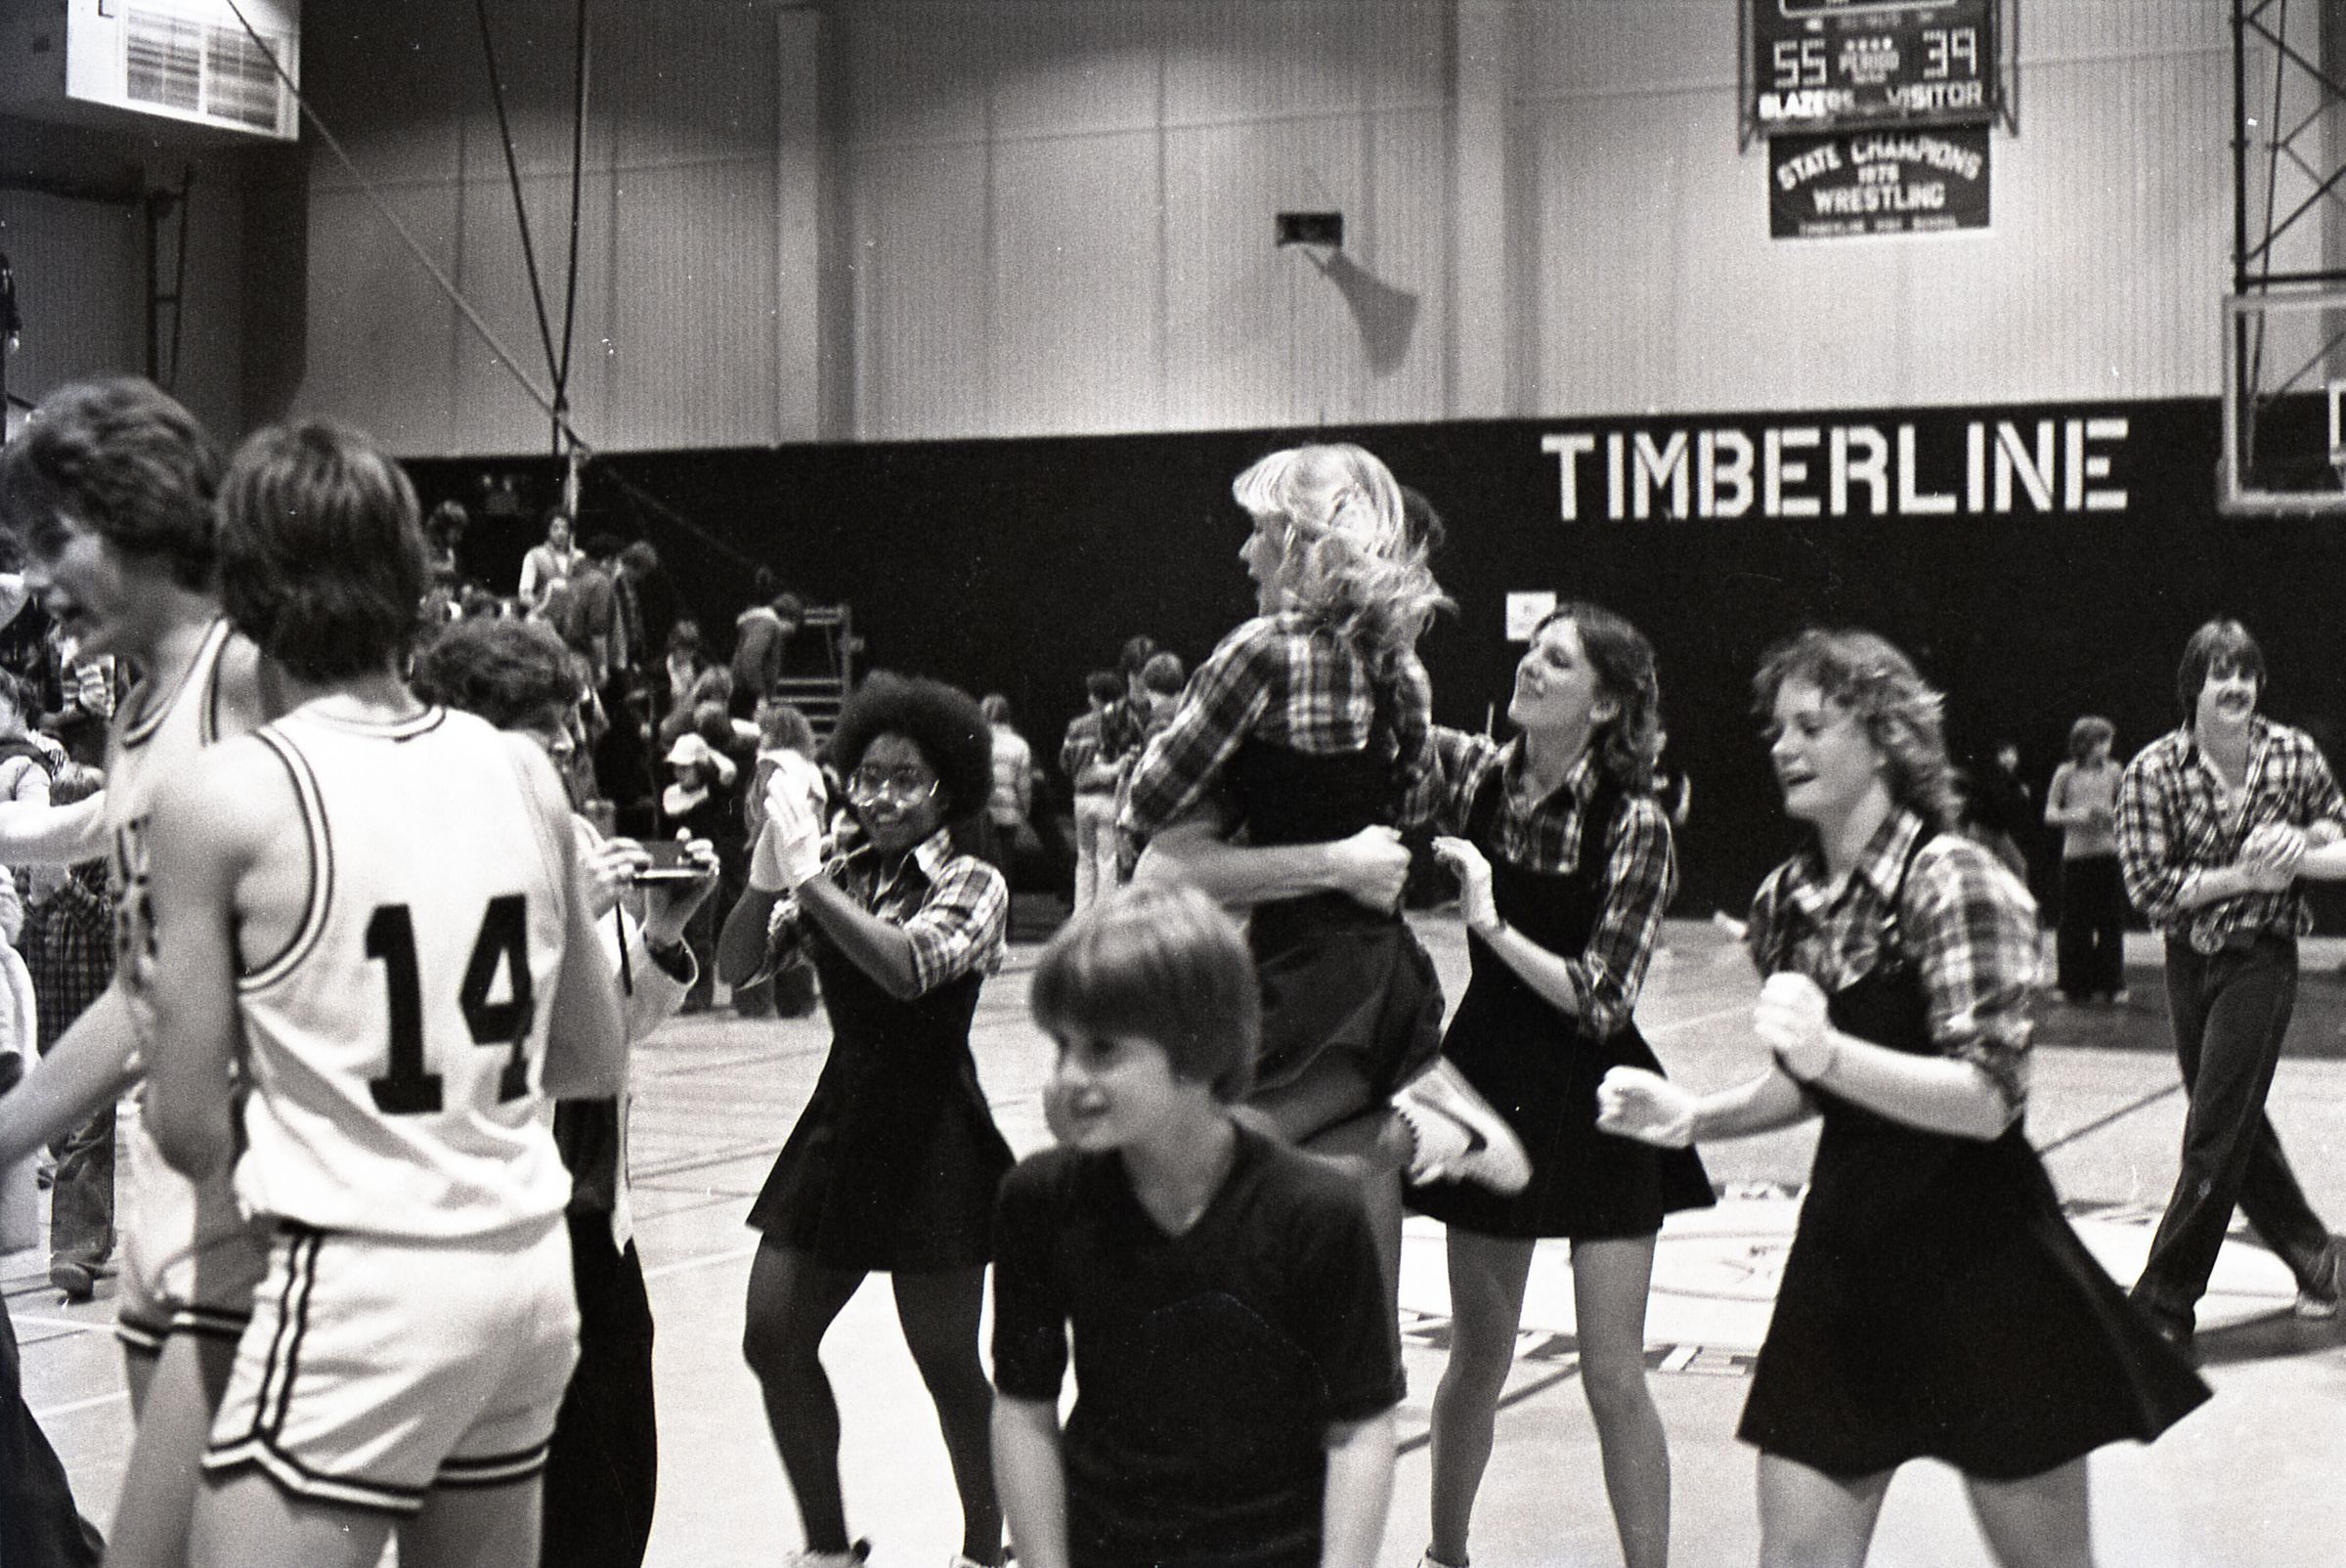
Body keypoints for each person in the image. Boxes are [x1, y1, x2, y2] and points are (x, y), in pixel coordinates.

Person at [1597, 629, 2207, 1568]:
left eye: (1812, 725)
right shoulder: (1786, 900)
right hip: (1848, 1254)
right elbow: (1814, 1084)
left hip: (1984, 1258)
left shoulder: (1955, 878)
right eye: (1777, 729)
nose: (1784, 747)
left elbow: (1988, 1098)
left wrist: (1831, 1052)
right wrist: (1699, 1117)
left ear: (1884, 739)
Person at [140, 418, 627, 1567]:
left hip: (363, 1281)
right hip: (525, 1273)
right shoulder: (521, 767)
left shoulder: (223, 793)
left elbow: (188, 1128)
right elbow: (592, 1057)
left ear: (244, 590)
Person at [1120, 442, 1527, 1306]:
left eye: (1259, 532)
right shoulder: (1399, 667)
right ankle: (1423, 1128)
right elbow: (1412, 803)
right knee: (1327, 1236)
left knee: (1202, 1169)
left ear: (1300, 541)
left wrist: (1234, 801)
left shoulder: (1260, 651)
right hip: (1375, 972)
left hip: (1299, 974)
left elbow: (1149, 799)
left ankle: (1426, 1131)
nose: (1245, 553)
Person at [0, 374, 282, 1568]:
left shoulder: (251, 672)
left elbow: (169, 985)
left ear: (134, 512)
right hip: (178, 1191)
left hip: (273, 1200)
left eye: (49, 539)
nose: (34, 576)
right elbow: (144, 970)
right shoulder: (134, 710)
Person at [413, 615, 721, 1568]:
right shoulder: (419, 847)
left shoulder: (573, 835)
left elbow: (604, 1037)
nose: (565, 745)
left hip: (596, 1218)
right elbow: (462, 1042)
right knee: (534, 1512)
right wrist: (564, 916)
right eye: (540, 725)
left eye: (567, 723)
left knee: (622, 1480)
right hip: (492, 1222)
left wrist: (660, 934)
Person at [1413, 604, 1713, 1568]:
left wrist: (1492, 925)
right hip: (1489, 1085)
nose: (1530, 667)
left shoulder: (1636, 824)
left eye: (1557, 659)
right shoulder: (1473, 773)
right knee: (1476, 1361)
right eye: (1531, 650)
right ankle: (1444, 1555)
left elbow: (1602, 998)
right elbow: (1387, 721)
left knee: (1614, 1375)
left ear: (1608, 703)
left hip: (1601, 1094)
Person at [992, 885, 1400, 1568]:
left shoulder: (1315, 1212)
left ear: (1201, 1048)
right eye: (1061, 1046)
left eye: (1102, 1050)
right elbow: (1024, 1408)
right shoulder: (1039, 1200)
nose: (1067, 1077)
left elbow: (1360, 1426)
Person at [718, 673, 1011, 1568]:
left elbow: (908, 968)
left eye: (906, 779)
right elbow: (737, 968)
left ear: (947, 791)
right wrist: (766, 874)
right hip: (841, 1125)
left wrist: (808, 880)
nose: (881, 797)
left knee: (947, 1364)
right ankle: (825, 1548)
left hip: (934, 1134)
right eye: (869, 778)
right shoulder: (840, 876)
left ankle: (983, 1551)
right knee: (773, 1333)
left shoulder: (973, 880)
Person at [2115, 619, 2346, 1352]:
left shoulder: (2294, 754)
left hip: (2262, 958)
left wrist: (2304, 844)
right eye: (2222, 674)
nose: (2237, 686)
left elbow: (2338, 831)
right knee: (2233, 1124)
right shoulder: (2152, 771)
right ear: (2195, 686)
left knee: (2214, 1129)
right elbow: (2149, 888)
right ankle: (2316, 1259)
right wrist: (2241, 876)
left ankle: (2164, 1299)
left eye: (2246, 674)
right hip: (2188, 959)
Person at [22, 763, 115, 1302]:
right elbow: (26, 946)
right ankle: (97, 1231)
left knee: (85, 1135)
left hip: (99, 1020)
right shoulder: (38, 863)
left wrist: (66, 889)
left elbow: (113, 927)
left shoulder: (114, 865)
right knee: (69, 1139)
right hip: (54, 1025)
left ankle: (75, 1252)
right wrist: (37, 904)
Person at [2045, 716, 2127, 1004]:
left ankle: (2111, 984)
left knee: (2110, 922)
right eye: (2101, 742)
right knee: (2074, 924)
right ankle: (2072, 984)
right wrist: (2078, 815)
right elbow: (2050, 813)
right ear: (2086, 744)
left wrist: (2110, 816)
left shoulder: (2114, 771)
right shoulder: (2065, 773)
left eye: (2108, 742)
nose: (2106, 748)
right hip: (2076, 856)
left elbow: (2126, 809)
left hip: (2107, 853)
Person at [1061, 670, 1127, 912]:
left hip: (1082, 800)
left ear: (1096, 696)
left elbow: (1065, 763)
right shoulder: (1121, 724)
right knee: (1107, 861)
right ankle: (1103, 916)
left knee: (1085, 859)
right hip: (1108, 799)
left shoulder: (1076, 726)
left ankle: (1081, 916)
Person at [978, 693, 1036, 888]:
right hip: (1008, 813)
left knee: (983, 864)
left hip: (983, 812)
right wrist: (1025, 809)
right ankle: (1006, 904)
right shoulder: (1019, 744)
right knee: (1005, 864)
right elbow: (1024, 784)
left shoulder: (979, 741)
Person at [518, 507, 580, 612]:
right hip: (543, 616)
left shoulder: (579, 557)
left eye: (565, 528)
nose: (560, 532)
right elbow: (524, 593)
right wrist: (539, 609)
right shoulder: (535, 556)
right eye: (555, 528)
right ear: (548, 530)